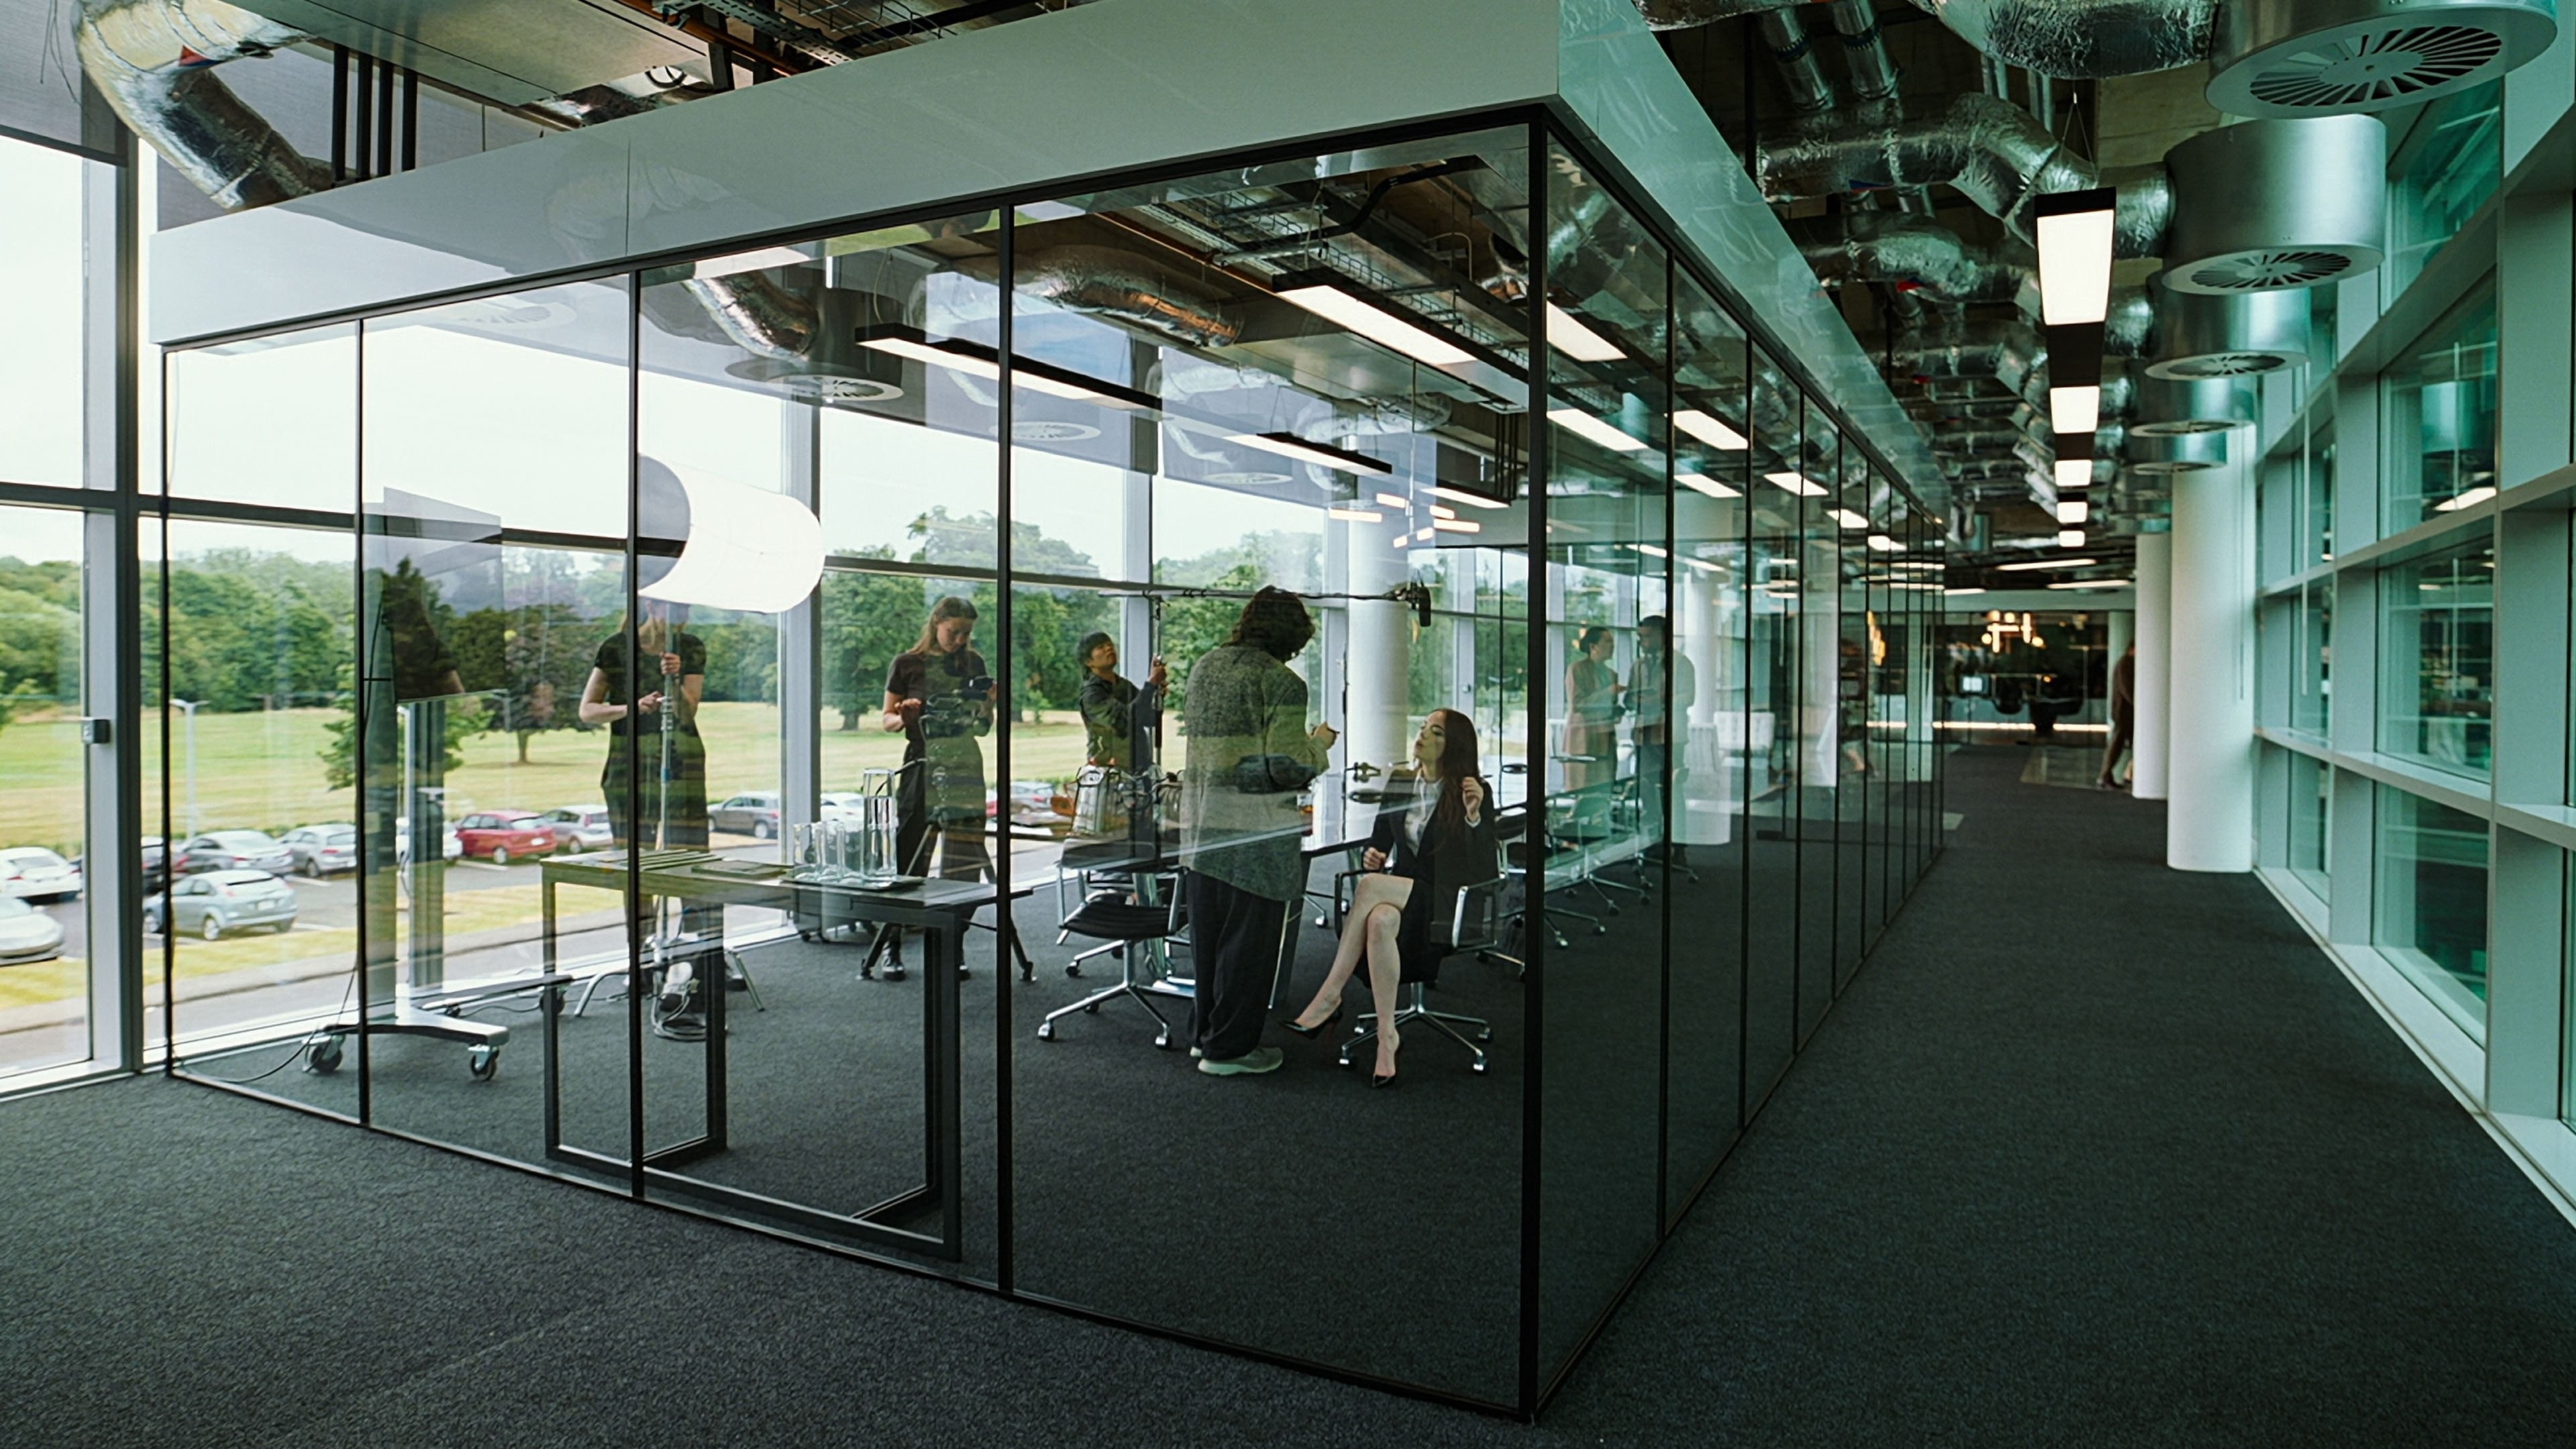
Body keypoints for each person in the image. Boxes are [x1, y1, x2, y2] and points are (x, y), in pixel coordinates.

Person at [1285, 710, 1495, 1087]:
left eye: (1437, 734)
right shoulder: (1400, 781)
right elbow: (1379, 842)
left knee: (1369, 888)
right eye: (1423, 729)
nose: (1423, 737)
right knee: (1380, 918)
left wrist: (1474, 818)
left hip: (1451, 901)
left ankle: (1330, 996)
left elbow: (1483, 871)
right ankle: (1387, 1037)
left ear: (1454, 747)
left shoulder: (1470, 790)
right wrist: (1374, 856)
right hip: (1404, 894)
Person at [1177, 588, 1335, 1077]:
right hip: (1256, 833)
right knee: (1249, 947)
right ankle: (1230, 1050)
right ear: (1291, 637)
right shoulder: (1281, 682)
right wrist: (1319, 746)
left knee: (1210, 943)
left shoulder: (1205, 666)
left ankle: (1205, 1036)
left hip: (1204, 828)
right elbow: (1282, 768)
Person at [882, 596, 996, 884]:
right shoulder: (906, 664)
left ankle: (954, 922)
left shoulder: (974, 663)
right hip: (922, 760)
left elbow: (982, 728)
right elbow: (887, 720)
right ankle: (908, 916)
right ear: (937, 624)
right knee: (911, 840)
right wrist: (905, 718)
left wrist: (989, 704)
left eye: (966, 633)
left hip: (965, 761)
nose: (959, 640)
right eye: (953, 631)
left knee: (965, 849)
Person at [580, 604, 708, 854]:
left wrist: (674, 677)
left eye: (684, 614)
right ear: (650, 606)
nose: (678, 623)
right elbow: (588, 711)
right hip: (630, 759)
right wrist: (633, 709)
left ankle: (687, 892)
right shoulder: (617, 648)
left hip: (680, 756)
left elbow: (687, 712)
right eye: (672, 613)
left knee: (688, 851)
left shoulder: (691, 647)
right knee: (633, 854)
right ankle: (641, 895)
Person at [1628, 615, 1694, 857]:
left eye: (1646, 636)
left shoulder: (1681, 663)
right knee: (1647, 792)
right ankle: (1653, 842)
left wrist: (1661, 701)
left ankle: (1678, 846)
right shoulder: (1638, 665)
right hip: (1644, 736)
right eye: (1640, 637)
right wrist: (1634, 700)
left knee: (1672, 793)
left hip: (1670, 737)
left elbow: (1689, 697)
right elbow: (1629, 698)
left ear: (1661, 636)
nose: (1642, 641)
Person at [1075, 630, 1165, 773]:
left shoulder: (1124, 685)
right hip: (1109, 773)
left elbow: (1149, 719)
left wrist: (1158, 694)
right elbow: (1123, 721)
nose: (1109, 649)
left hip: (1139, 769)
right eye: (1100, 647)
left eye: (1110, 645)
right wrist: (1150, 685)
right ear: (1088, 662)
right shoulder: (1092, 694)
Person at [1563, 625, 1619, 791]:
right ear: (1593, 647)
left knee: (1604, 789)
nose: (1612, 646)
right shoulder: (1577, 669)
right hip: (1583, 740)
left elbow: (1609, 707)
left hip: (1605, 739)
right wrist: (1607, 693)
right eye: (1607, 642)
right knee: (1583, 789)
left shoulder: (1611, 674)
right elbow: (1578, 704)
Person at [2098, 641, 2137, 790]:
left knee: (2119, 743)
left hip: (2125, 710)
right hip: (2124, 711)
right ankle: (2106, 775)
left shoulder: (2126, 663)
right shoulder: (2126, 664)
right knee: (2117, 743)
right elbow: (2127, 689)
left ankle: (2114, 775)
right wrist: (2138, 703)